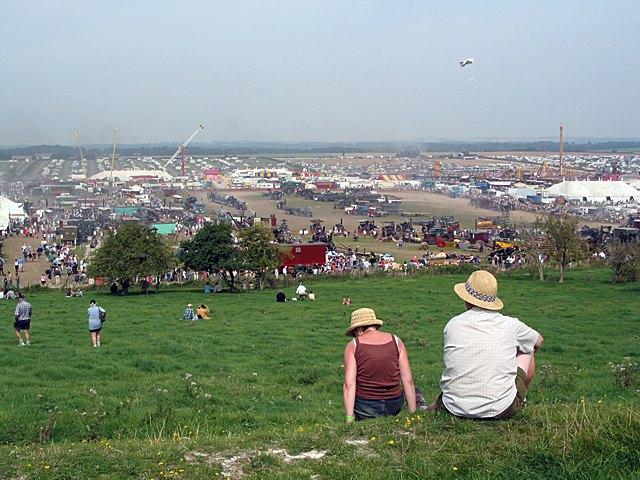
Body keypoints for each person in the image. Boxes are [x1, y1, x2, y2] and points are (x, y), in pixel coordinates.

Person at [424, 270, 543, 419]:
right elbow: (538, 341)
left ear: (466, 299)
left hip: (453, 406)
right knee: (528, 348)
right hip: (501, 409)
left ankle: (439, 403)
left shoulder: (453, 324)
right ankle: (520, 397)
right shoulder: (511, 325)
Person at [343, 308, 418, 422]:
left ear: (358, 329)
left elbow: (349, 384)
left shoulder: (354, 345)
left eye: (354, 333)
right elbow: (408, 380)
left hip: (365, 407)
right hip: (394, 404)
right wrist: (413, 414)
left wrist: (349, 418)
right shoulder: (396, 341)